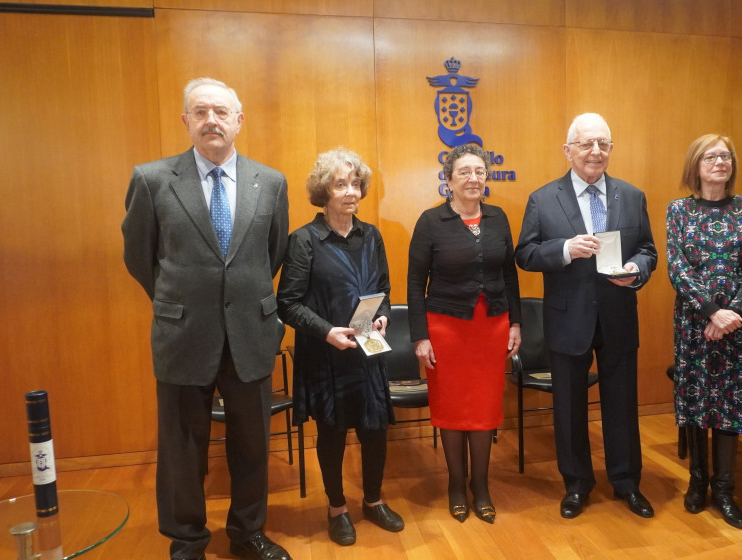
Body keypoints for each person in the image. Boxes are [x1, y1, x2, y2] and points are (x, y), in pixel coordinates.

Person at [122, 77, 291, 560]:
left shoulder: (271, 182)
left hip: (251, 334)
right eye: (200, 111)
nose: (211, 120)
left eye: (221, 111)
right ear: (186, 121)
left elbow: (271, 253)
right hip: (182, 334)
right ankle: (187, 539)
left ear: (239, 120)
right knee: (182, 448)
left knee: (252, 445)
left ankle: (247, 533)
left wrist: (237, 296)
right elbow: (139, 257)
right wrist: (181, 301)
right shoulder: (152, 180)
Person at [515, 113, 657, 520]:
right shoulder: (543, 198)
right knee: (570, 408)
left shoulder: (631, 196)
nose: (595, 152)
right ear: (568, 150)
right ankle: (576, 485)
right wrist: (563, 249)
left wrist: (637, 270)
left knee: (622, 405)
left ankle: (627, 482)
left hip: (618, 317)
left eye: (603, 144)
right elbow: (524, 254)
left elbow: (647, 249)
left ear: (611, 150)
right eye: (586, 144)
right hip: (568, 319)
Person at [277, 148, 404, 546]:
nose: (350, 192)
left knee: (375, 430)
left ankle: (373, 500)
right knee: (331, 433)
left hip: (368, 348)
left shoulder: (372, 236)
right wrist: (327, 331)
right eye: (340, 184)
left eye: (355, 184)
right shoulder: (304, 240)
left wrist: (382, 314)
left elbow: (382, 289)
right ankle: (337, 508)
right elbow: (288, 303)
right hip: (325, 353)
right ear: (324, 191)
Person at [407, 143, 522, 524]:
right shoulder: (430, 221)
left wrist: (516, 323)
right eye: (464, 172)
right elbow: (413, 282)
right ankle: (456, 485)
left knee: (486, 407)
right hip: (446, 330)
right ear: (449, 180)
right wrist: (420, 336)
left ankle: (481, 486)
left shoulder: (499, 218)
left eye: (479, 172)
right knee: (452, 408)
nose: (473, 178)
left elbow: (509, 274)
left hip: (491, 327)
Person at [666, 134, 742, 530]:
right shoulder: (679, 210)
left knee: (731, 404)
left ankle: (724, 490)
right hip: (694, 323)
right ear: (696, 165)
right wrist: (711, 311)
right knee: (697, 400)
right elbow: (677, 267)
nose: (720, 162)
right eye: (711, 156)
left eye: (725, 156)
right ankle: (697, 482)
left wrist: (730, 314)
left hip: (739, 327)